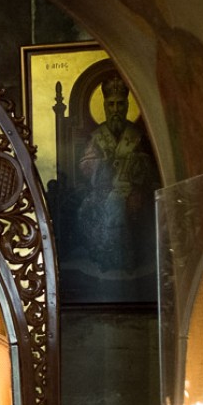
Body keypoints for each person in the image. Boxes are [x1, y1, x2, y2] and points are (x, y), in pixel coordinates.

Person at [77, 73, 159, 270]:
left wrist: (137, 163)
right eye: (111, 104)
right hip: (102, 189)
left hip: (133, 189)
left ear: (127, 106)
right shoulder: (97, 137)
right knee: (87, 208)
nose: (115, 110)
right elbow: (85, 164)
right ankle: (105, 257)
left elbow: (150, 168)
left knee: (132, 206)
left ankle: (130, 259)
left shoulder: (137, 136)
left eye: (120, 104)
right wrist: (101, 165)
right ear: (105, 107)